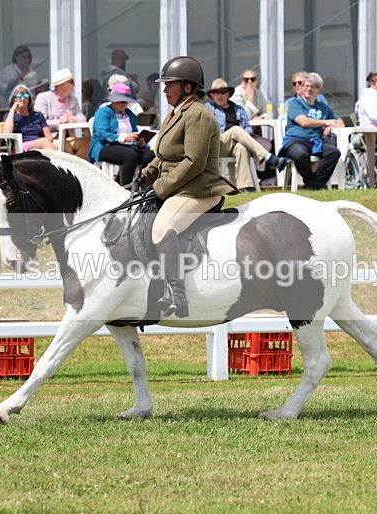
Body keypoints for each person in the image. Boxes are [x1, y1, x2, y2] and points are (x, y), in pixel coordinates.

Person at [138, 56, 234, 319]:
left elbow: (193, 163)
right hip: (178, 188)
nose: (165, 89)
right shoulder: (177, 113)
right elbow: (165, 155)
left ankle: (177, 294)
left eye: (170, 84)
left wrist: (160, 187)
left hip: (198, 190)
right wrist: (147, 175)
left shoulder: (199, 116)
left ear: (188, 88)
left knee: (162, 228)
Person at [204, 78, 285, 192]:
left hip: (233, 145)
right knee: (236, 129)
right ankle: (267, 157)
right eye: (216, 93)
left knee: (241, 148)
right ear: (212, 95)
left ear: (228, 94)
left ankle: (244, 187)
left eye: (222, 92)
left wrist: (242, 138)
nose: (219, 95)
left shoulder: (238, 109)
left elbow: (247, 129)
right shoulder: (208, 108)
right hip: (217, 144)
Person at [278, 72, 343, 190]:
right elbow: (304, 122)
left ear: (318, 90)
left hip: (315, 142)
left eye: (312, 87)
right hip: (295, 140)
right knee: (300, 155)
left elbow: (340, 122)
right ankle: (312, 183)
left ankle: (311, 186)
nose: (308, 89)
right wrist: (325, 122)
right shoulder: (295, 103)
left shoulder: (323, 107)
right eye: (306, 86)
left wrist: (331, 126)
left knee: (334, 153)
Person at [89, 83, 154, 186]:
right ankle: (126, 189)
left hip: (128, 146)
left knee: (150, 155)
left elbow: (134, 132)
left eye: (125, 101)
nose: (123, 104)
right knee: (130, 155)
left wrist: (140, 141)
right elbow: (102, 134)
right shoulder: (103, 112)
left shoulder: (130, 114)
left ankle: (144, 186)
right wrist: (123, 137)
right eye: (120, 101)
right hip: (105, 146)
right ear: (113, 101)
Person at [33, 68, 89, 159]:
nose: (74, 84)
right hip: (51, 138)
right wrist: (61, 122)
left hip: (69, 137)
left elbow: (82, 118)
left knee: (88, 143)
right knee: (65, 145)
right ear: (62, 84)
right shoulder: (43, 98)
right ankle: (72, 169)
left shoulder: (73, 100)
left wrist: (72, 119)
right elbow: (39, 122)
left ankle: (76, 169)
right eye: (72, 81)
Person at [3, 84, 54, 152]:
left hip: (40, 145)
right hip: (20, 146)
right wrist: (12, 109)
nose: (23, 99)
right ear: (13, 99)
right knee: (45, 142)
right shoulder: (10, 116)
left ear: (29, 99)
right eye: (19, 96)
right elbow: (7, 134)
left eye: (26, 96)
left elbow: (49, 137)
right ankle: (56, 162)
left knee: (64, 144)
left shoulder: (38, 115)